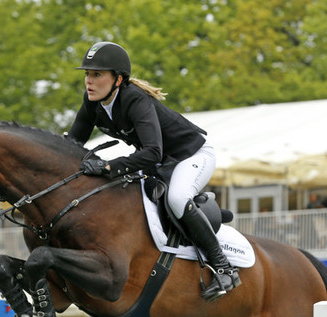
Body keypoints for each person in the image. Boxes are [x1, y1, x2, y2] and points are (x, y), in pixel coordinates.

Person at [66, 41, 240, 302]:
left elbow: (152, 152)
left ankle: (225, 268)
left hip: (192, 156)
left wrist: (107, 166)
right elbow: (71, 145)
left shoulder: (135, 100)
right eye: (87, 75)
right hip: (161, 163)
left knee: (177, 198)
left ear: (118, 79)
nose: (88, 81)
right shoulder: (93, 102)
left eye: (97, 74)